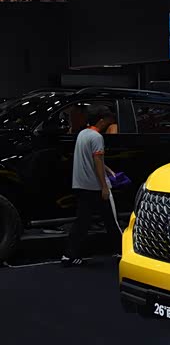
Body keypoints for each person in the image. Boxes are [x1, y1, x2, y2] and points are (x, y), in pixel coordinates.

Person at [62, 105, 121, 267]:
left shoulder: (82, 134)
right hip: (95, 186)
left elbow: (93, 159)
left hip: (81, 184)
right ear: (101, 120)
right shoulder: (97, 137)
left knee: (82, 222)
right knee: (111, 220)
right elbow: (97, 161)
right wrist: (104, 186)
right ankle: (121, 251)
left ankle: (69, 255)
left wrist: (107, 169)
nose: (109, 124)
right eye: (108, 121)